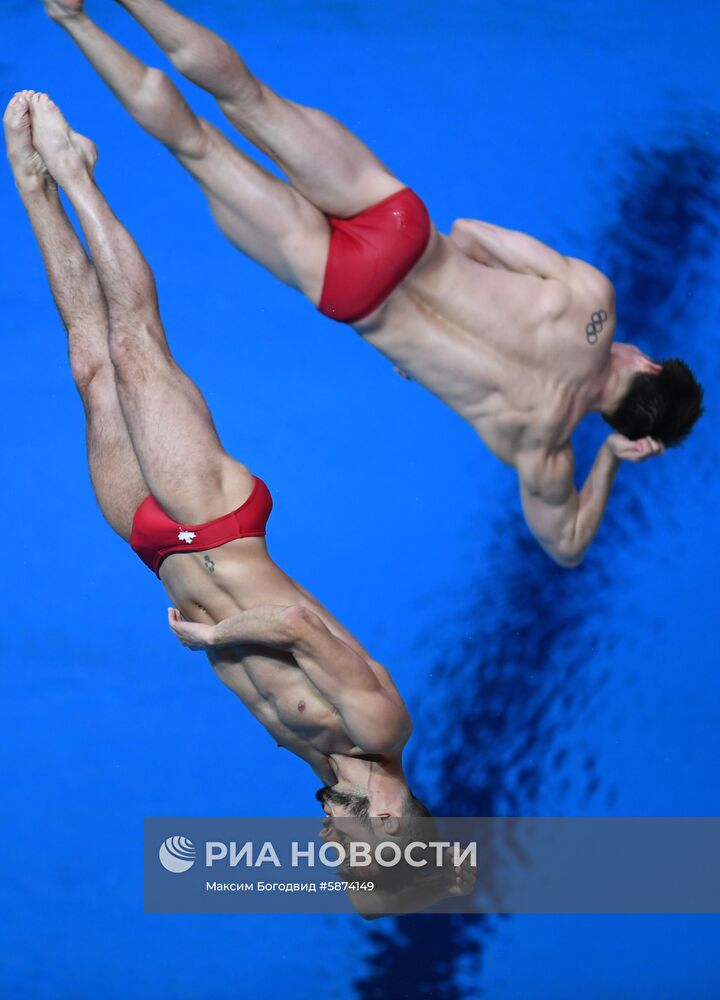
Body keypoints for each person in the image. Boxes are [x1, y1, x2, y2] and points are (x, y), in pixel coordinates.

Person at [4, 90, 474, 915]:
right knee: (132, 341)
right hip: (216, 519)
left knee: (89, 363)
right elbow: (296, 627)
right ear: (393, 833)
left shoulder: (326, 770)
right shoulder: (382, 732)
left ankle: (33, 188)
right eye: (354, 869)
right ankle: (77, 173)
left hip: (157, 548)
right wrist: (217, 634)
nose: (333, 863)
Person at [43, 0, 704, 567]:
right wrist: (614, 460)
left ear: (648, 361)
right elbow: (566, 548)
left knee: (247, 94)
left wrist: (458, 268)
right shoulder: (540, 447)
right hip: (355, 293)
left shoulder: (594, 299)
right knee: (196, 145)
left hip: (400, 228)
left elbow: (472, 230)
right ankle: (71, 19)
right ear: (628, 423)